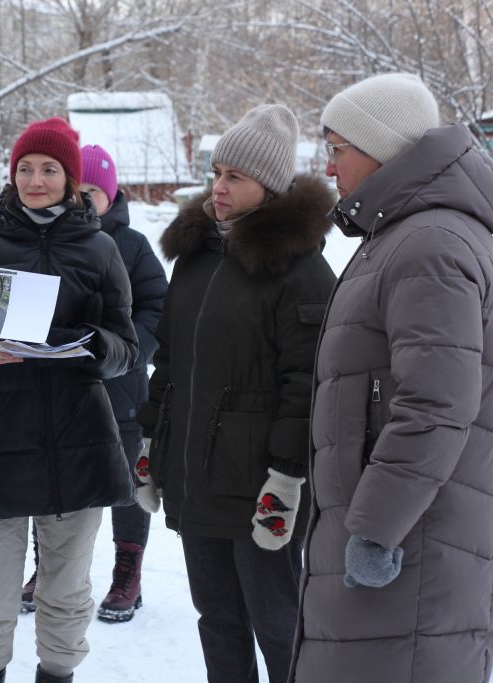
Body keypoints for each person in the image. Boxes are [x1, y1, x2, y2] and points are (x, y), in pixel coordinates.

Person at [289, 73, 493, 683]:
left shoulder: (428, 245)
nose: (328, 167)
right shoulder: (398, 237)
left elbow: (436, 403)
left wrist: (377, 528)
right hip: (390, 537)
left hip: (411, 547)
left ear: (382, 149)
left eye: (338, 149)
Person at [136, 104, 336, 683]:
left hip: (260, 486)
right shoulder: (195, 257)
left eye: (235, 177)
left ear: (268, 187)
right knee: (217, 619)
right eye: (216, 173)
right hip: (196, 474)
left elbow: (308, 385)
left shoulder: (300, 270)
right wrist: (151, 444)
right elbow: (169, 360)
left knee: (277, 622)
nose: (217, 188)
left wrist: (287, 477)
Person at [0, 117, 139, 683]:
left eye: (49, 169)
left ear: (70, 179)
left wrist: (90, 346)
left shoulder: (100, 249)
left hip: (76, 444)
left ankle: (58, 673)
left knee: (67, 592)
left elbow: (126, 346)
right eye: (25, 169)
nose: (35, 180)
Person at [21, 144, 167, 623]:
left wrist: (128, 351)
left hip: (120, 393)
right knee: (53, 480)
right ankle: (46, 567)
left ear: (110, 195)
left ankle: (128, 570)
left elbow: (157, 308)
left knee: (127, 484)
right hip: (57, 388)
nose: (82, 199)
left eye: (92, 191)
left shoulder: (133, 246)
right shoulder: (47, 240)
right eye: (75, 190)